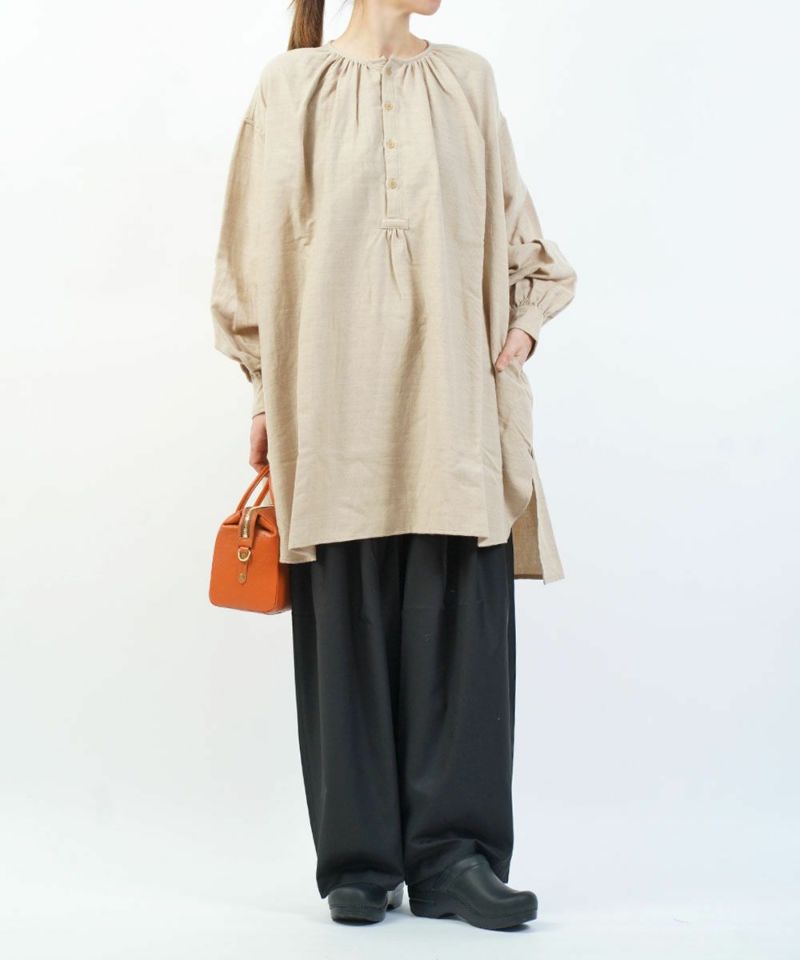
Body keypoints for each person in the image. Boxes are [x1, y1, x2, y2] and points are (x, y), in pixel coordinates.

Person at [209, 0, 577, 931]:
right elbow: (248, 256)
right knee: (347, 625)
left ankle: (457, 859)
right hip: (330, 406)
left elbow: (520, 235)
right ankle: (361, 861)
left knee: (460, 629)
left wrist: (526, 328)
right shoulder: (288, 87)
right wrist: (263, 394)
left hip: (453, 404)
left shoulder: (467, 81)